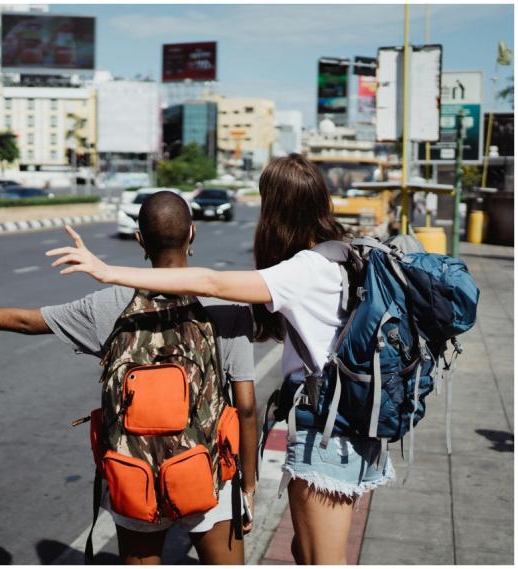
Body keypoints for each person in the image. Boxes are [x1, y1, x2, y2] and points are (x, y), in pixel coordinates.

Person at [46, 154, 395, 565]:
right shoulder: (347, 254)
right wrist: (246, 484)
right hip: (353, 424)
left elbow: (211, 282)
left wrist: (110, 273)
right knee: (305, 551)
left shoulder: (302, 270)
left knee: (322, 560)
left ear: (275, 213)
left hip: (325, 432)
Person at [0, 191, 258, 565]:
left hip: (136, 472)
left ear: (140, 239)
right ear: (192, 233)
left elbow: (24, 321)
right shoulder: (223, 302)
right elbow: (245, 406)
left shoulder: (110, 304)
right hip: (208, 469)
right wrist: (250, 485)